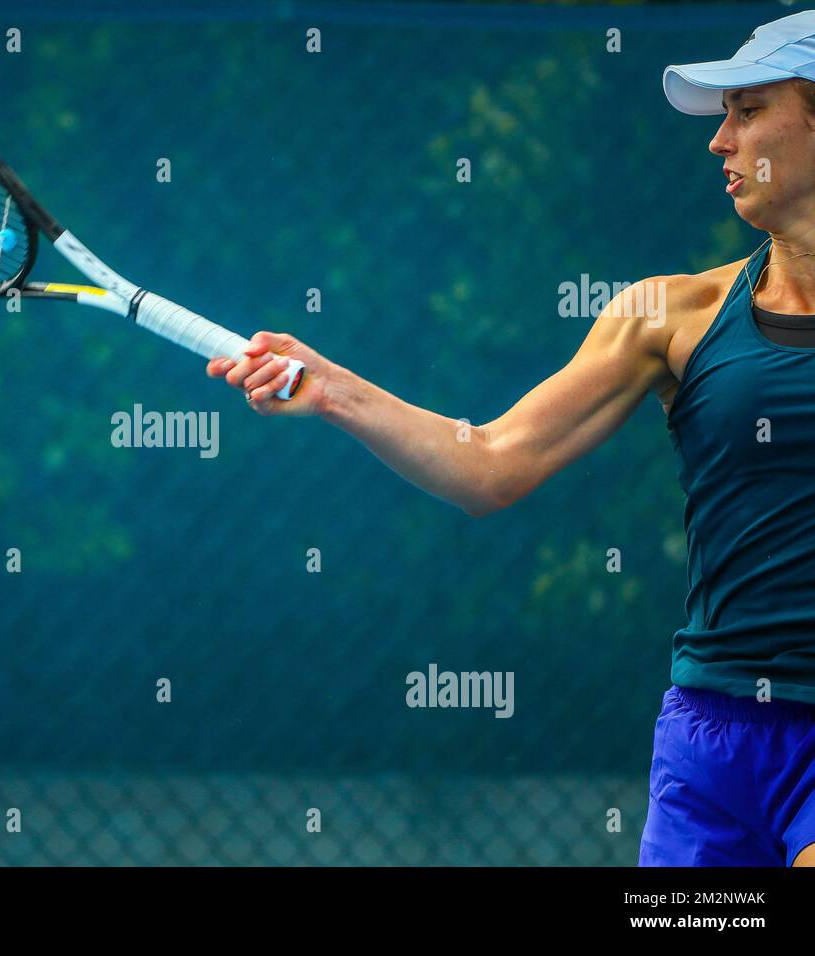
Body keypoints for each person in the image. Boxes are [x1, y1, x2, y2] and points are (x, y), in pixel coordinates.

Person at [209, 10, 815, 867]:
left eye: (747, 111)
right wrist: (335, 390)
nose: (720, 140)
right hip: (709, 736)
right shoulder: (666, 315)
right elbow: (492, 464)